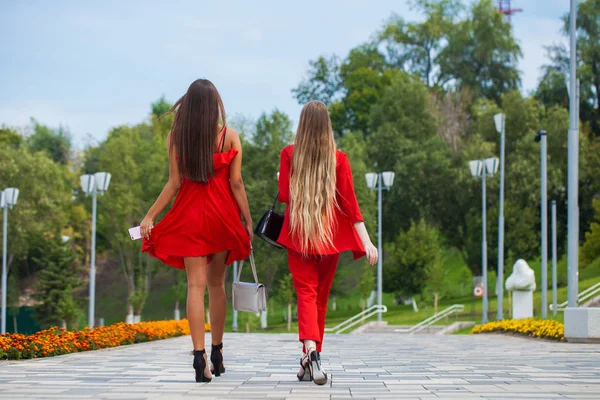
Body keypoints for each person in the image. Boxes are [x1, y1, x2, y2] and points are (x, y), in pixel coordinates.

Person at [140, 79, 252, 383]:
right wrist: (248, 220)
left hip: (190, 218)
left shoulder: (176, 138)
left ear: (188, 105)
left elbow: (174, 183)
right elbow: (237, 183)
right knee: (217, 286)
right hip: (222, 218)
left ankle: (199, 357)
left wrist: (150, 216)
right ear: (215, 105)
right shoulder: (229, 136)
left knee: (194, 288)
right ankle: (217, 352)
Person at [277, 101, 378, 385]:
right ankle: (312, 356)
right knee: (319, 299)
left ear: (302, 125)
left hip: (300, 236)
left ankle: (310, 352)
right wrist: (368, 242)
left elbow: (284, 195)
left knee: (307, 295)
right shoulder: (339, 158)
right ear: (327, 127)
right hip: (329, 239)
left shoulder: (289, 154)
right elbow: (351, 205)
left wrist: (279, 179)